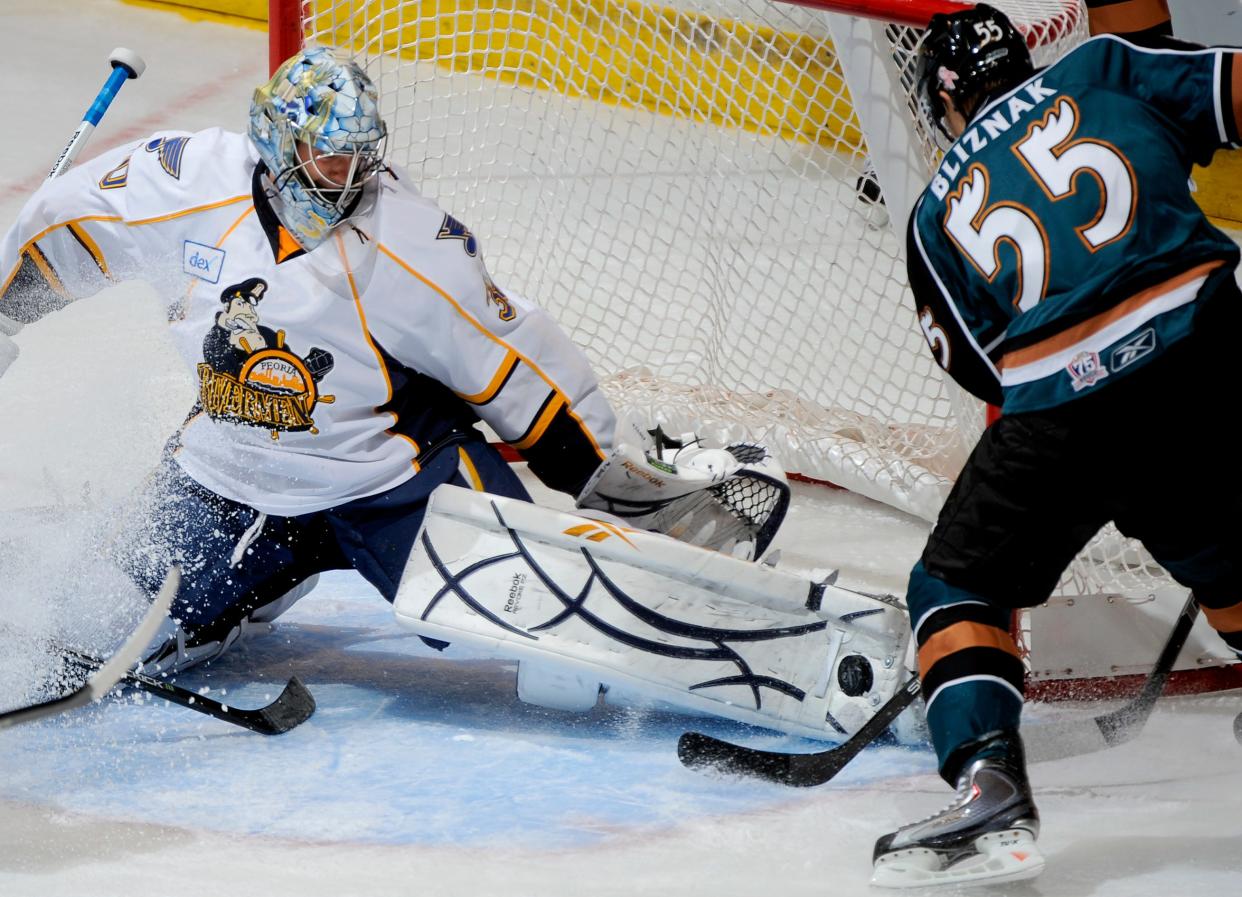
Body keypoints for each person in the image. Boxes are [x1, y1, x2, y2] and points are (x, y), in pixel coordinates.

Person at [0, 50, 788, 684]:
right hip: (230, 472)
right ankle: (256, 583)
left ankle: (720, 595)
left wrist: (599, 476)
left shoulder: (410, 240)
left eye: (354, 157)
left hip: (393, 479)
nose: (345, 177)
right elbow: (69, 223)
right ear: (277, 143)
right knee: (90, 626)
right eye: (325, 155)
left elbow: (516, 365)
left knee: (546, 616)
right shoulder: (184, 183)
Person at [870, 5, 1242, 888]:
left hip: (1072, 402)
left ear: (946, 104)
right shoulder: (1108, 66)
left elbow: (989, 373)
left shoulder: (931, 216)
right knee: (1213, 546)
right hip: (1212, 336)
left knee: (956, 584)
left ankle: (990, 783)